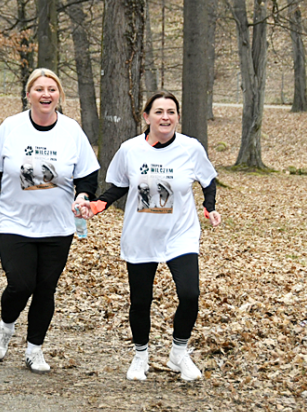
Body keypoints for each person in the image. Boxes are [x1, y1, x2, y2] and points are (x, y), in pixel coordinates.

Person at [77, 91, 222, 382]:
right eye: (158, 112)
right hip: (141, 236)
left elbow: (208, 180)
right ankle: (140, 356)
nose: (165, 117)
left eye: (170, 111)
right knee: (141, 301)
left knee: (190, 295)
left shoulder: (191, 148)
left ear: (178, 117)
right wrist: (95, 206)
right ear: (146, 117)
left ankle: (178, 353)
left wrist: (209, 207)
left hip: (180, 235)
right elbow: (117, 187)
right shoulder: (130, 150)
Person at [0, 68, 99, 373]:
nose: (45, 94)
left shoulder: (71, 130)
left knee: (45, 289)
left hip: (58, 227)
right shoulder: (10, 128)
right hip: (17, 223)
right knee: (20, 284)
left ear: (59, 96)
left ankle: (34, 349)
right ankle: (5, 326)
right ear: (28, 94)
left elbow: (88, 175)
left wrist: (83, 196)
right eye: (39, 89)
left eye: (51, 90)